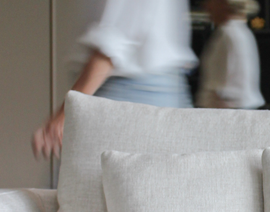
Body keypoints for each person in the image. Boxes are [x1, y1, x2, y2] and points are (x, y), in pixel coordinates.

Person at [32, 0, 198, 160]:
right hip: (163, 91)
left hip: (128, 97)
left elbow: (111, 44)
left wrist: (67, 110)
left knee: (90, 177)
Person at [196, 0, 264, 109]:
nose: (206, 7)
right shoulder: (241, 31)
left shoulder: (228, 34)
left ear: (224, 3)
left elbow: (226, 92)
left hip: (227, 111)